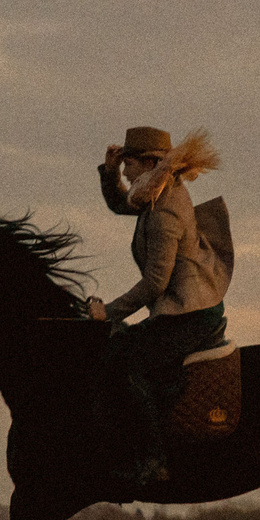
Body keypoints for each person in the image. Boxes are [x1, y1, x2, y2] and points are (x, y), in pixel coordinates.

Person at [86, 126, 230, 485]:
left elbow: (155, 283)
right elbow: (122, 203)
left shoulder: (165, 209)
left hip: (189, 314)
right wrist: (110, 173)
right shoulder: (155, 192)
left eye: (129, 163)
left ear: (150, 164)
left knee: (125, 367)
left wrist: (108, 313)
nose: (127, 169)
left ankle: (154, 459)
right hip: (182, 307)